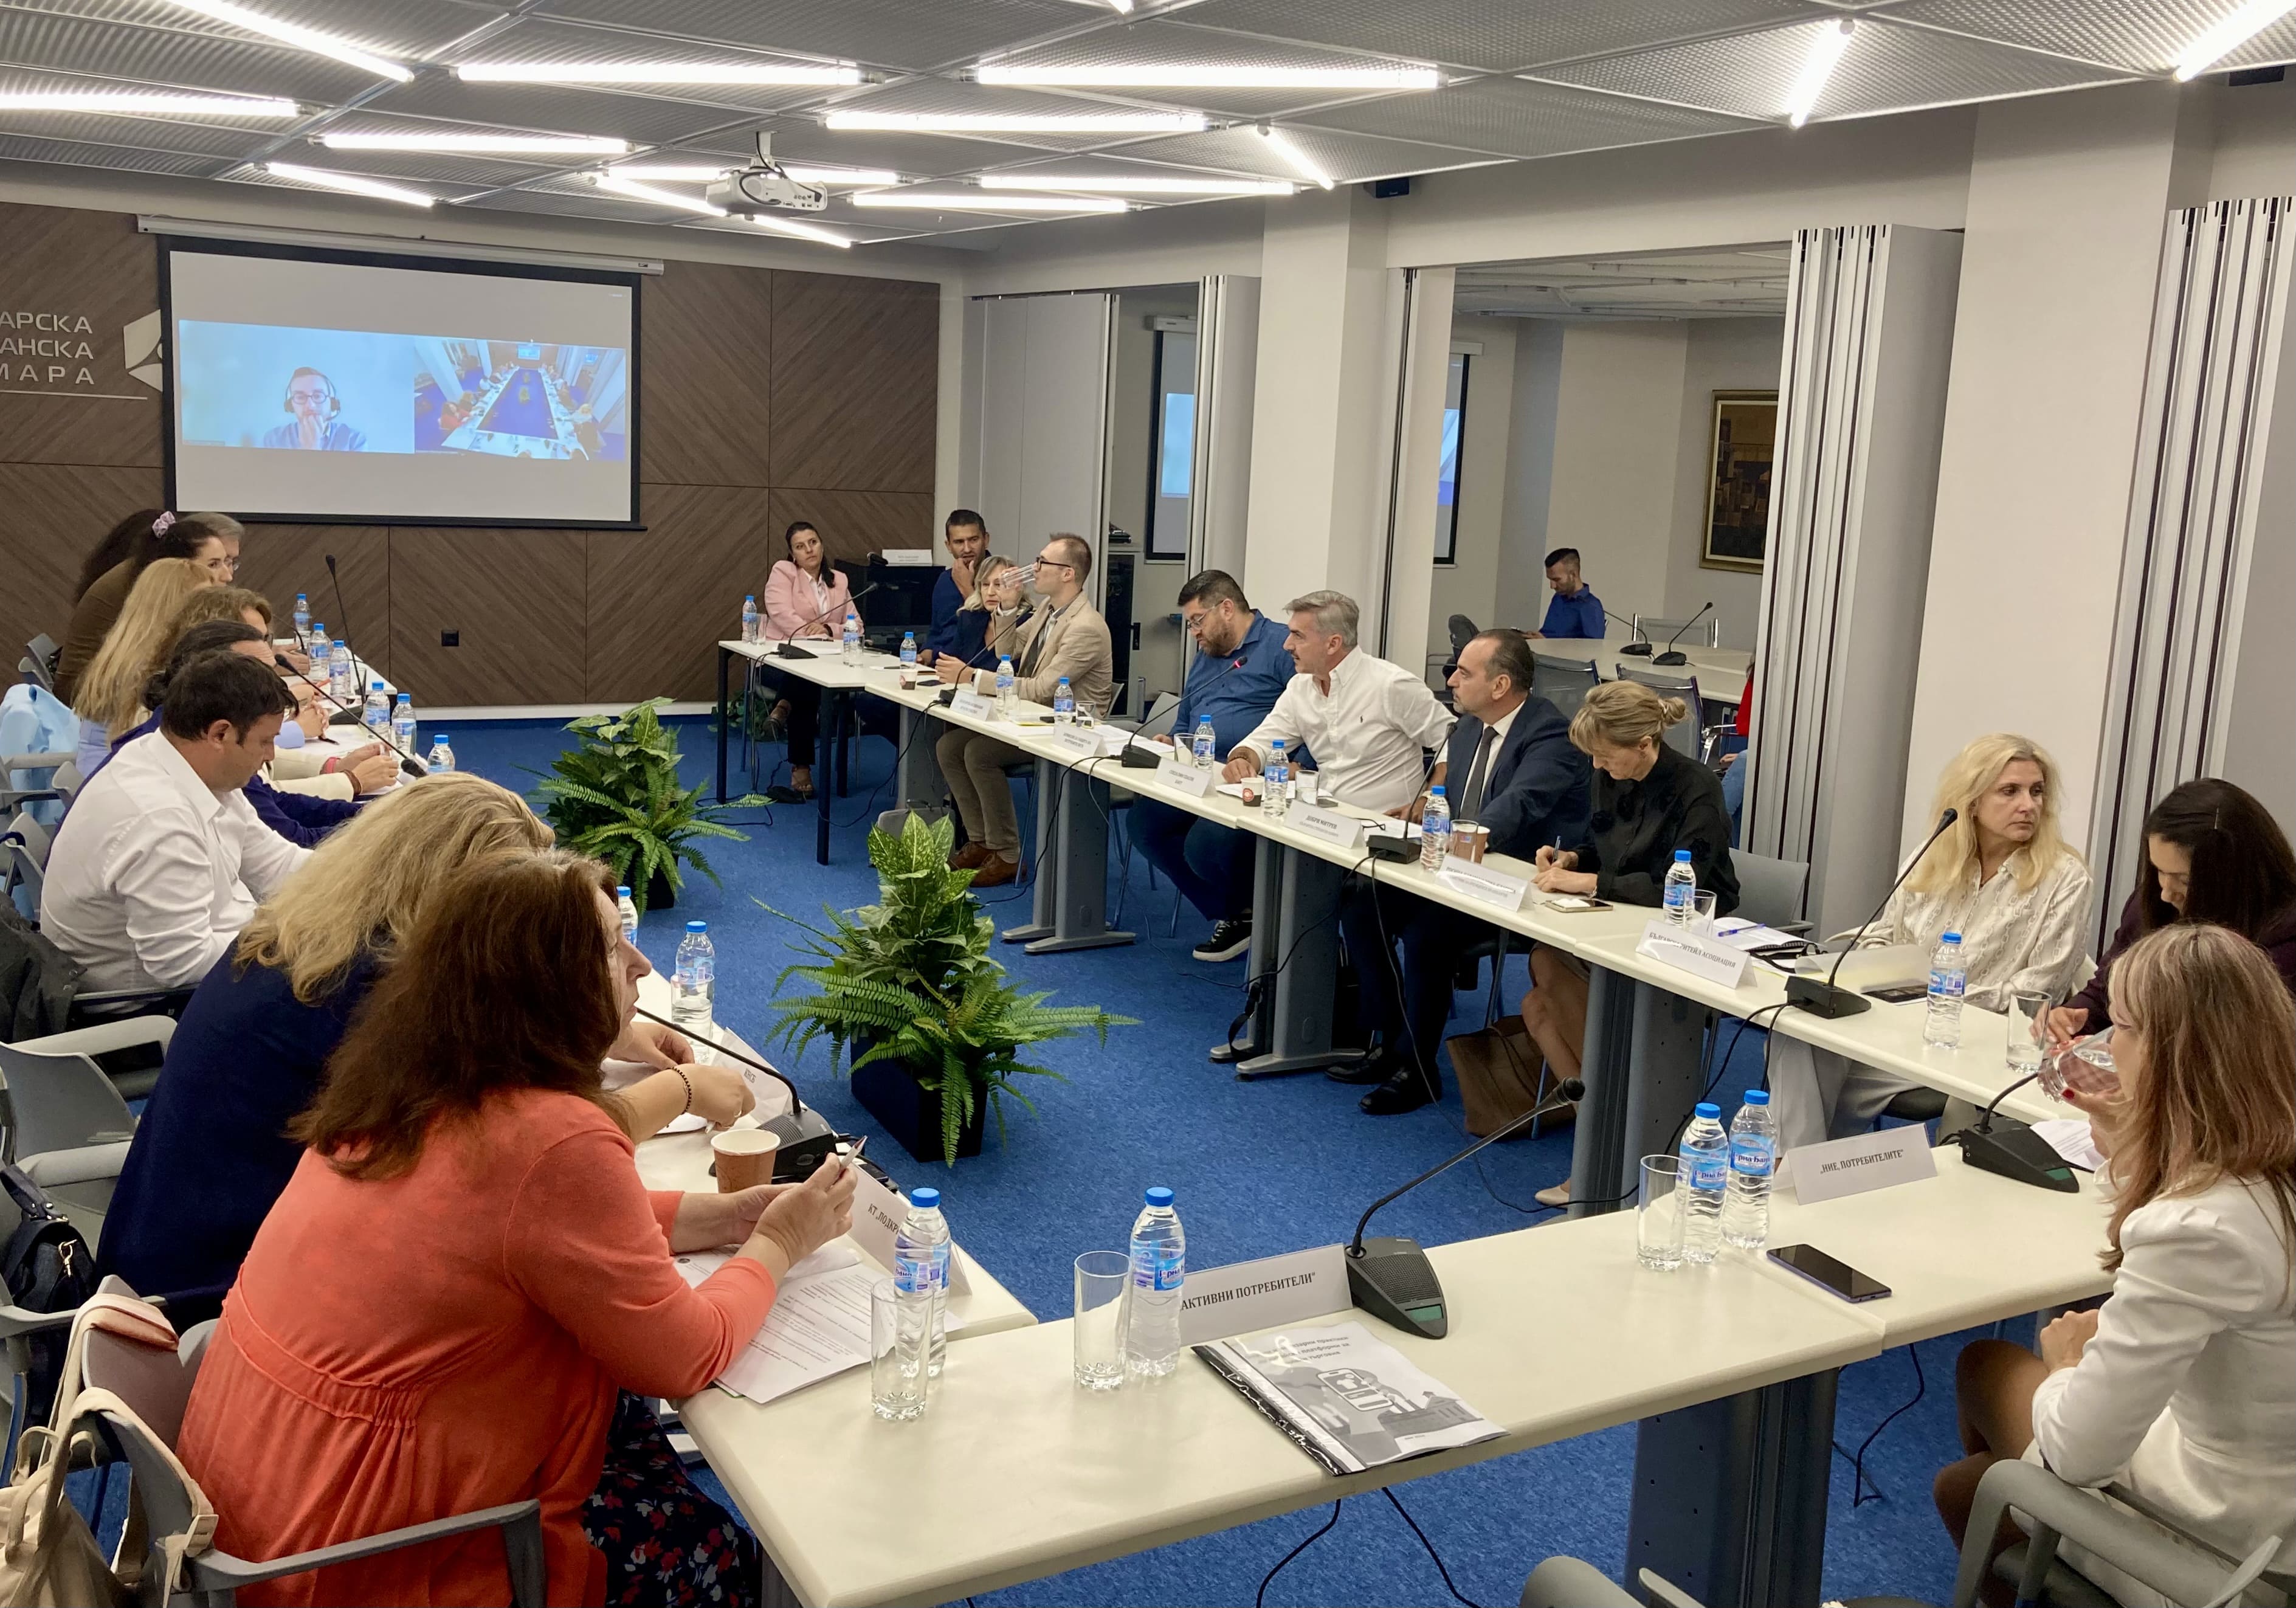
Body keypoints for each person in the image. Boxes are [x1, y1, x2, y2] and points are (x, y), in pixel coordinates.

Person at [176, 851, 855, 1607]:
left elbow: (515, 1234)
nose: (640, 964)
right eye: (613, 946)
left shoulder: (406, 1083)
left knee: (631, 1436)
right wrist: (778, 1243)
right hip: (365, 1553)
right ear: (546, 984)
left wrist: (720, 1217)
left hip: (264, 1505)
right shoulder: (549, 1135)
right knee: (721, 1556)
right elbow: (686, 1354)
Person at [100, 776, 755, 1313]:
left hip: (164, 1259)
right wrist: (682, 1089)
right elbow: (524, 1160)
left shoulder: (305, 940)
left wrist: (614, 1033)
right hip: (216, 1300)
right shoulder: (374, 998)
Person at [1936, 923, 2296, 1607]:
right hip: (2268, 1486)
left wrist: (2066, 1366)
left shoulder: (2197, 1228)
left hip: (2230, 1542)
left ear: (2173, 1054)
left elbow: (2079, 1452)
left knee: (1986, 1369)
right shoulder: (2265, 1168)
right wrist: (2140, 1147)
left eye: (2122, 1027)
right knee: (1965, 1485)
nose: (2105, 1043)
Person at [1768, 731, 2094, 1151]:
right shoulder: (1935, 853)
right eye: (2009, 791)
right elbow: (1885, 935)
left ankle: (1793, 1168)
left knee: (1813, 1089)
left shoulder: (2064, 878)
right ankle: (1801, 1167)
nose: (2028, 805)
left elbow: (2035, 993)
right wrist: (1870, 973)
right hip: (1895, 1030)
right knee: (1797, 1031)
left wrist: (1930, 998)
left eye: (2037, 791)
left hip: (1979, 1050)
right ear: (1972, 800)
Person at [1336, 629, 1592, 1114]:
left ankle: (1417, 1068)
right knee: (1359, 896)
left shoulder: (1550, 734)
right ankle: (1387, 1039)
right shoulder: (1469, 726)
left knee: (1426, 929)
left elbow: (1518, 805)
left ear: (1500, 685)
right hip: (1456, 873)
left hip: (1519, 888)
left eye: (1463, 672)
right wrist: (1423, 810)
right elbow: (1452, 799)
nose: (1451, 680)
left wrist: (1458, 838)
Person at [1523, 680, 1739, 1205]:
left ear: (1644, 743)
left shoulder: (1695, 787)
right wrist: (1572, 858)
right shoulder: (1609, 774)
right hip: (1618, 921)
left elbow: (1680, 884)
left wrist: (1588, 882)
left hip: (1686, 937)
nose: (1597, 766)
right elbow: (1603, 845)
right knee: (1537, 992)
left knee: (1546, 981)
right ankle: (1600, 1135)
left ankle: (1601, 1144)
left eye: (1605, 756)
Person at [41, 652, 307, 993]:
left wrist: (356, 879)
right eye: (265, 741)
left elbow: (276, 864)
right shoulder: (159, 821)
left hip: (221, 957)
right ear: (220, 734)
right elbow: (183, 964)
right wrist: (288, 938)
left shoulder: (180, 761)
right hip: (154, 1005)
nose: (270, 755)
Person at [2047, 778, 2296, 1046]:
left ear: (2234, 876)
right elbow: (2108, 988)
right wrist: (2071, 1016)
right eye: (2159, 871)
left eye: (2185, 881)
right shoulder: (2152, 902)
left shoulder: (2283, 939)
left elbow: (2244, 1047)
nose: (2166, 893)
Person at [935, 534, 1114, 888]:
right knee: (949, 747)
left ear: (1067, 574)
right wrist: (1006, 608)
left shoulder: (1086, 627)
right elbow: (1009, 651)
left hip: (1068, 729)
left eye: (1043, 562)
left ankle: (1007, 854)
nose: (1035, 568)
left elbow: (1043, 688)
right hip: (1031, 719)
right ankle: (981, 841)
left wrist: (972, 677)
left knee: (979, 753)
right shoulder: (1049, 609)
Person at [1132, 570, 1294, 962]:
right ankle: (1236, 912)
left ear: (1227, 609)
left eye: (1197, 621)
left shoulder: (1281, 647)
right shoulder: (1206, 655)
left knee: (1204, 844)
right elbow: (1187, 718)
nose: (1194, 633)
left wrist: (1290, 767)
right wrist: (1172, 742)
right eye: (1190, 624)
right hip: (1199, 774)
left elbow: (1305, 720)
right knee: (1144, 824)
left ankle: (1255, 915)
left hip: (1251, 781)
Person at [100, 622, 371, 848]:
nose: (271, 754)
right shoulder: (161, 816)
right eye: (257, 673)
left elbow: (274, 854)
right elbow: (292, 840)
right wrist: (372, 828)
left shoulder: (198, 756)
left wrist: (374, 816)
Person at [1222, 591, 1455, 815]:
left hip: (1384, 824)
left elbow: (1454, 742)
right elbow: (1262, 742)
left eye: (1298, 636)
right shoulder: (1300, 688)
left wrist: (1428, 798)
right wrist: (1242, 759)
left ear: (1333, 644)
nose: (1287, 645)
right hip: (1322, 819)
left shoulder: (1391, 685)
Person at [55, 509, 242, 705]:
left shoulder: (148, 572)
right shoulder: (155, 589)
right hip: (87, 694)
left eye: (228, 562)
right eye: (214, 564)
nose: (227, 576)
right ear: (183, 564)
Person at [68, 556, 219, 772]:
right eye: (202, 603)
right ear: (174, 607)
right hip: (116, 775)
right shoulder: (145, 671)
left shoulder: (123, 653)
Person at [761, 520, 858, 799]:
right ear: (793, 554)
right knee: (807, 681)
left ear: (822, 545)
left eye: (813, 543)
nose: (809, 550)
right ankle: (801, 765)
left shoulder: (839, 580)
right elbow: (781, 614)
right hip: (780, 662)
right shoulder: (784, 572)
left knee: (809, 681)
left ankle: (784, 706)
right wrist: (812, 635)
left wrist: (828, 629)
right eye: (800, 546)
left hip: (828, 663)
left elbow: (857, 625)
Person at [933, 554, 1017, 676]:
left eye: (999, 585)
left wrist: (971, 675)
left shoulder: (1025, 622)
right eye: (985, 585)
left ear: (1015, 588)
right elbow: (950, 662)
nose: (990, 592)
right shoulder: (970, 618)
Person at [925, 509, 992, 657]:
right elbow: (936, 632)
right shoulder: (945, 579)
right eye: (959, 542)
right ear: (949, 546)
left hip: (974, 664)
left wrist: (966, 588)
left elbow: (990, 632)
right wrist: (923, 655)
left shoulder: (1001, 578)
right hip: (939, 662)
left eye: (974, 540)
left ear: (986, 540)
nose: (967, 549)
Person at [258, 365, 367, 451]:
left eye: (318, 396)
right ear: (290, 405)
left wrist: (313, 447)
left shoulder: (354, 441)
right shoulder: (273, 439)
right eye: (300, 397)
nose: (310, 405)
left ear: (332, 403)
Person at [1531, 548, 1604, 640]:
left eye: (1557, 580)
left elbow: (1593, 646)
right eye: (1550, 580)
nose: (1552, 586)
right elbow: (1549, 633)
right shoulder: (1558, 598)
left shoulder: (1591, 606)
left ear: (1573, 575)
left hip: (1557, 649)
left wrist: (1546, 642)